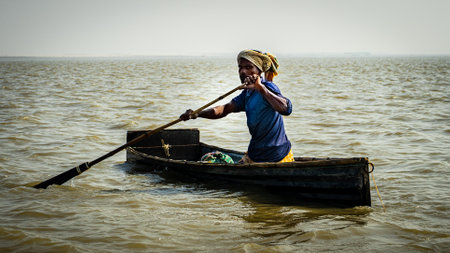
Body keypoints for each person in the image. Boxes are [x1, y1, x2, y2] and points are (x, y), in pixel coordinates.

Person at [180, 49, 294, 163]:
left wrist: (261, 88)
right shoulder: (247, 94)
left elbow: (286, 109)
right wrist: (197, 114)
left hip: (276, 155)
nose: (243, 71)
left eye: (248, 67)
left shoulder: (268, 87)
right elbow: (224, 109)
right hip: (255, 154)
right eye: (240, 67)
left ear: (258, 72)